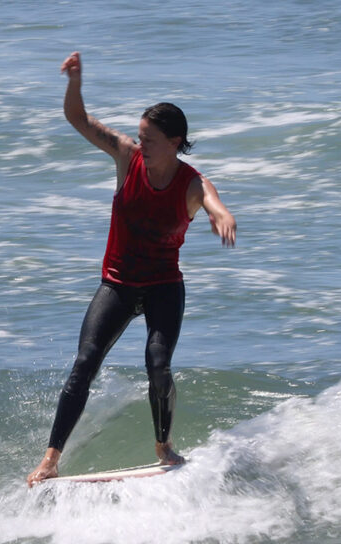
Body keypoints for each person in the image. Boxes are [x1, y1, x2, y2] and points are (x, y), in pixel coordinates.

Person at [27, 52, 236, 486]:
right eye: (140, 137)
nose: (141, 145)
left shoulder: (191, 183)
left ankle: (163, 445)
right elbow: (79, 120)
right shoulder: (127, 157)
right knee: (85, 362)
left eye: (151, 140)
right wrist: (75, 82)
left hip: (163, 286)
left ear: (175, 141)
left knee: (157, 364)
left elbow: (213, 200)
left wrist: (220, 215)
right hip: (118, 284)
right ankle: (50, 459)